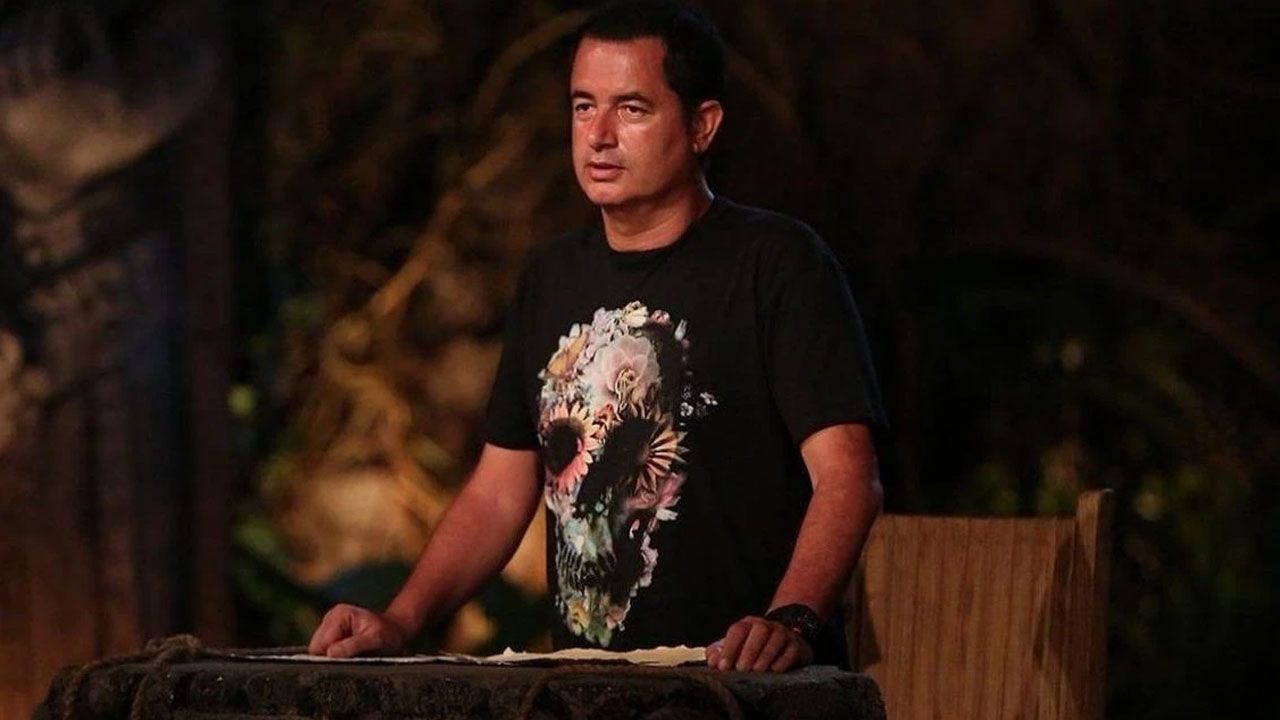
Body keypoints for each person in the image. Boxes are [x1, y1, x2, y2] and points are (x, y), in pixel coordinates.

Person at [308, 0, 886, 674]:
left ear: (702, 125)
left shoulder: (776, 264)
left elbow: (848, 476)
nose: (599, 136)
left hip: (744, 685)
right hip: (585, 688)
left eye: (632, 109)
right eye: (584, 106)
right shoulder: (550, 276)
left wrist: (792, 619)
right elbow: (498, 492)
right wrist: (401, 620)